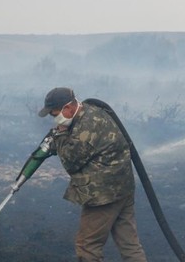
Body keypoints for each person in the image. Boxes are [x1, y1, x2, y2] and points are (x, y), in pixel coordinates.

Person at [13, 87, 147, 261]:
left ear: (67, 108)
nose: (55, 120)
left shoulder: (88, 125)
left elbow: (71, 161)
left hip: (104, 195)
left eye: (55, 115)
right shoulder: (89, 112)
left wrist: (60, 134)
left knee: (87, 247)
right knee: (129, 245)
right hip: (122, 189)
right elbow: (65, 143)